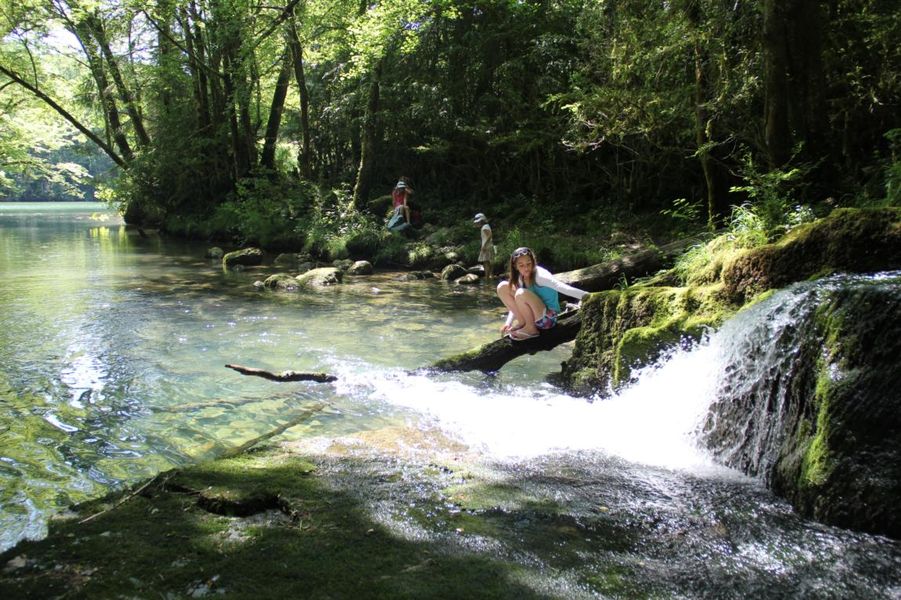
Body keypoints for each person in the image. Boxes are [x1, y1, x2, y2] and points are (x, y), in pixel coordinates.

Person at [496, 246, 588, 341]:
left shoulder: (540, 276)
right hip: (532, 316)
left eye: (528, 264)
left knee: (520, 293)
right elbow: (517, 302)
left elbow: (562, 287)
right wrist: (508, 322)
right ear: (515, 266)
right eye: (521, 265)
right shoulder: (520, 277)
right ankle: (523, 322)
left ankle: (531, 329)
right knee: (502, 287)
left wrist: (587, 296)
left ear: (533, 262)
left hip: (547, 319)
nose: (526, 268)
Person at [473, 212, 495, 279]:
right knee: (488, 262)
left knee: (486, 262)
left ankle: (487, 277)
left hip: (486, 246)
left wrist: (484, 245)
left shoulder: (484, 227)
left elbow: (489, 235)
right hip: (489, 245)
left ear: (482, 221)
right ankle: (491, 276)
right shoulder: (486, 226)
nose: (477, 223)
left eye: (478, 222)